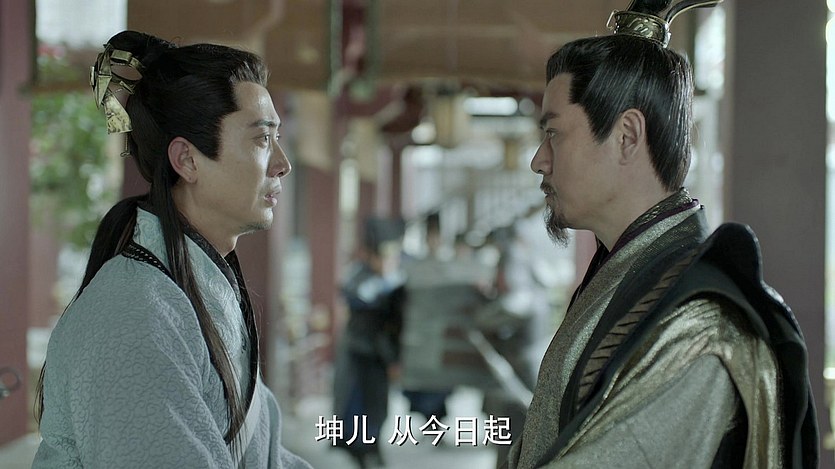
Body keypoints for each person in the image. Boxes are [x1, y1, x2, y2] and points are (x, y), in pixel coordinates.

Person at [506, 0, 819, 467]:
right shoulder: (640, 278)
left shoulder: (698, 323)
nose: (539, 160)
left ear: (627, 136)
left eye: (554, 134)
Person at [33, 31, 311, 468]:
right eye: (262, 139)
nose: (282, 164)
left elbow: (267, 455)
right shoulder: (133, 315)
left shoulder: (190, 294)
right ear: (187, 160)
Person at [332, 218, 406, 468]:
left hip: (380, 355)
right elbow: (355, 295)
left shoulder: (394, 279)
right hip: (358, 353)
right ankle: (360, 450)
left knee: (378, 405)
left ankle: (372, 446)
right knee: (355, 405)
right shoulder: (358, 276)